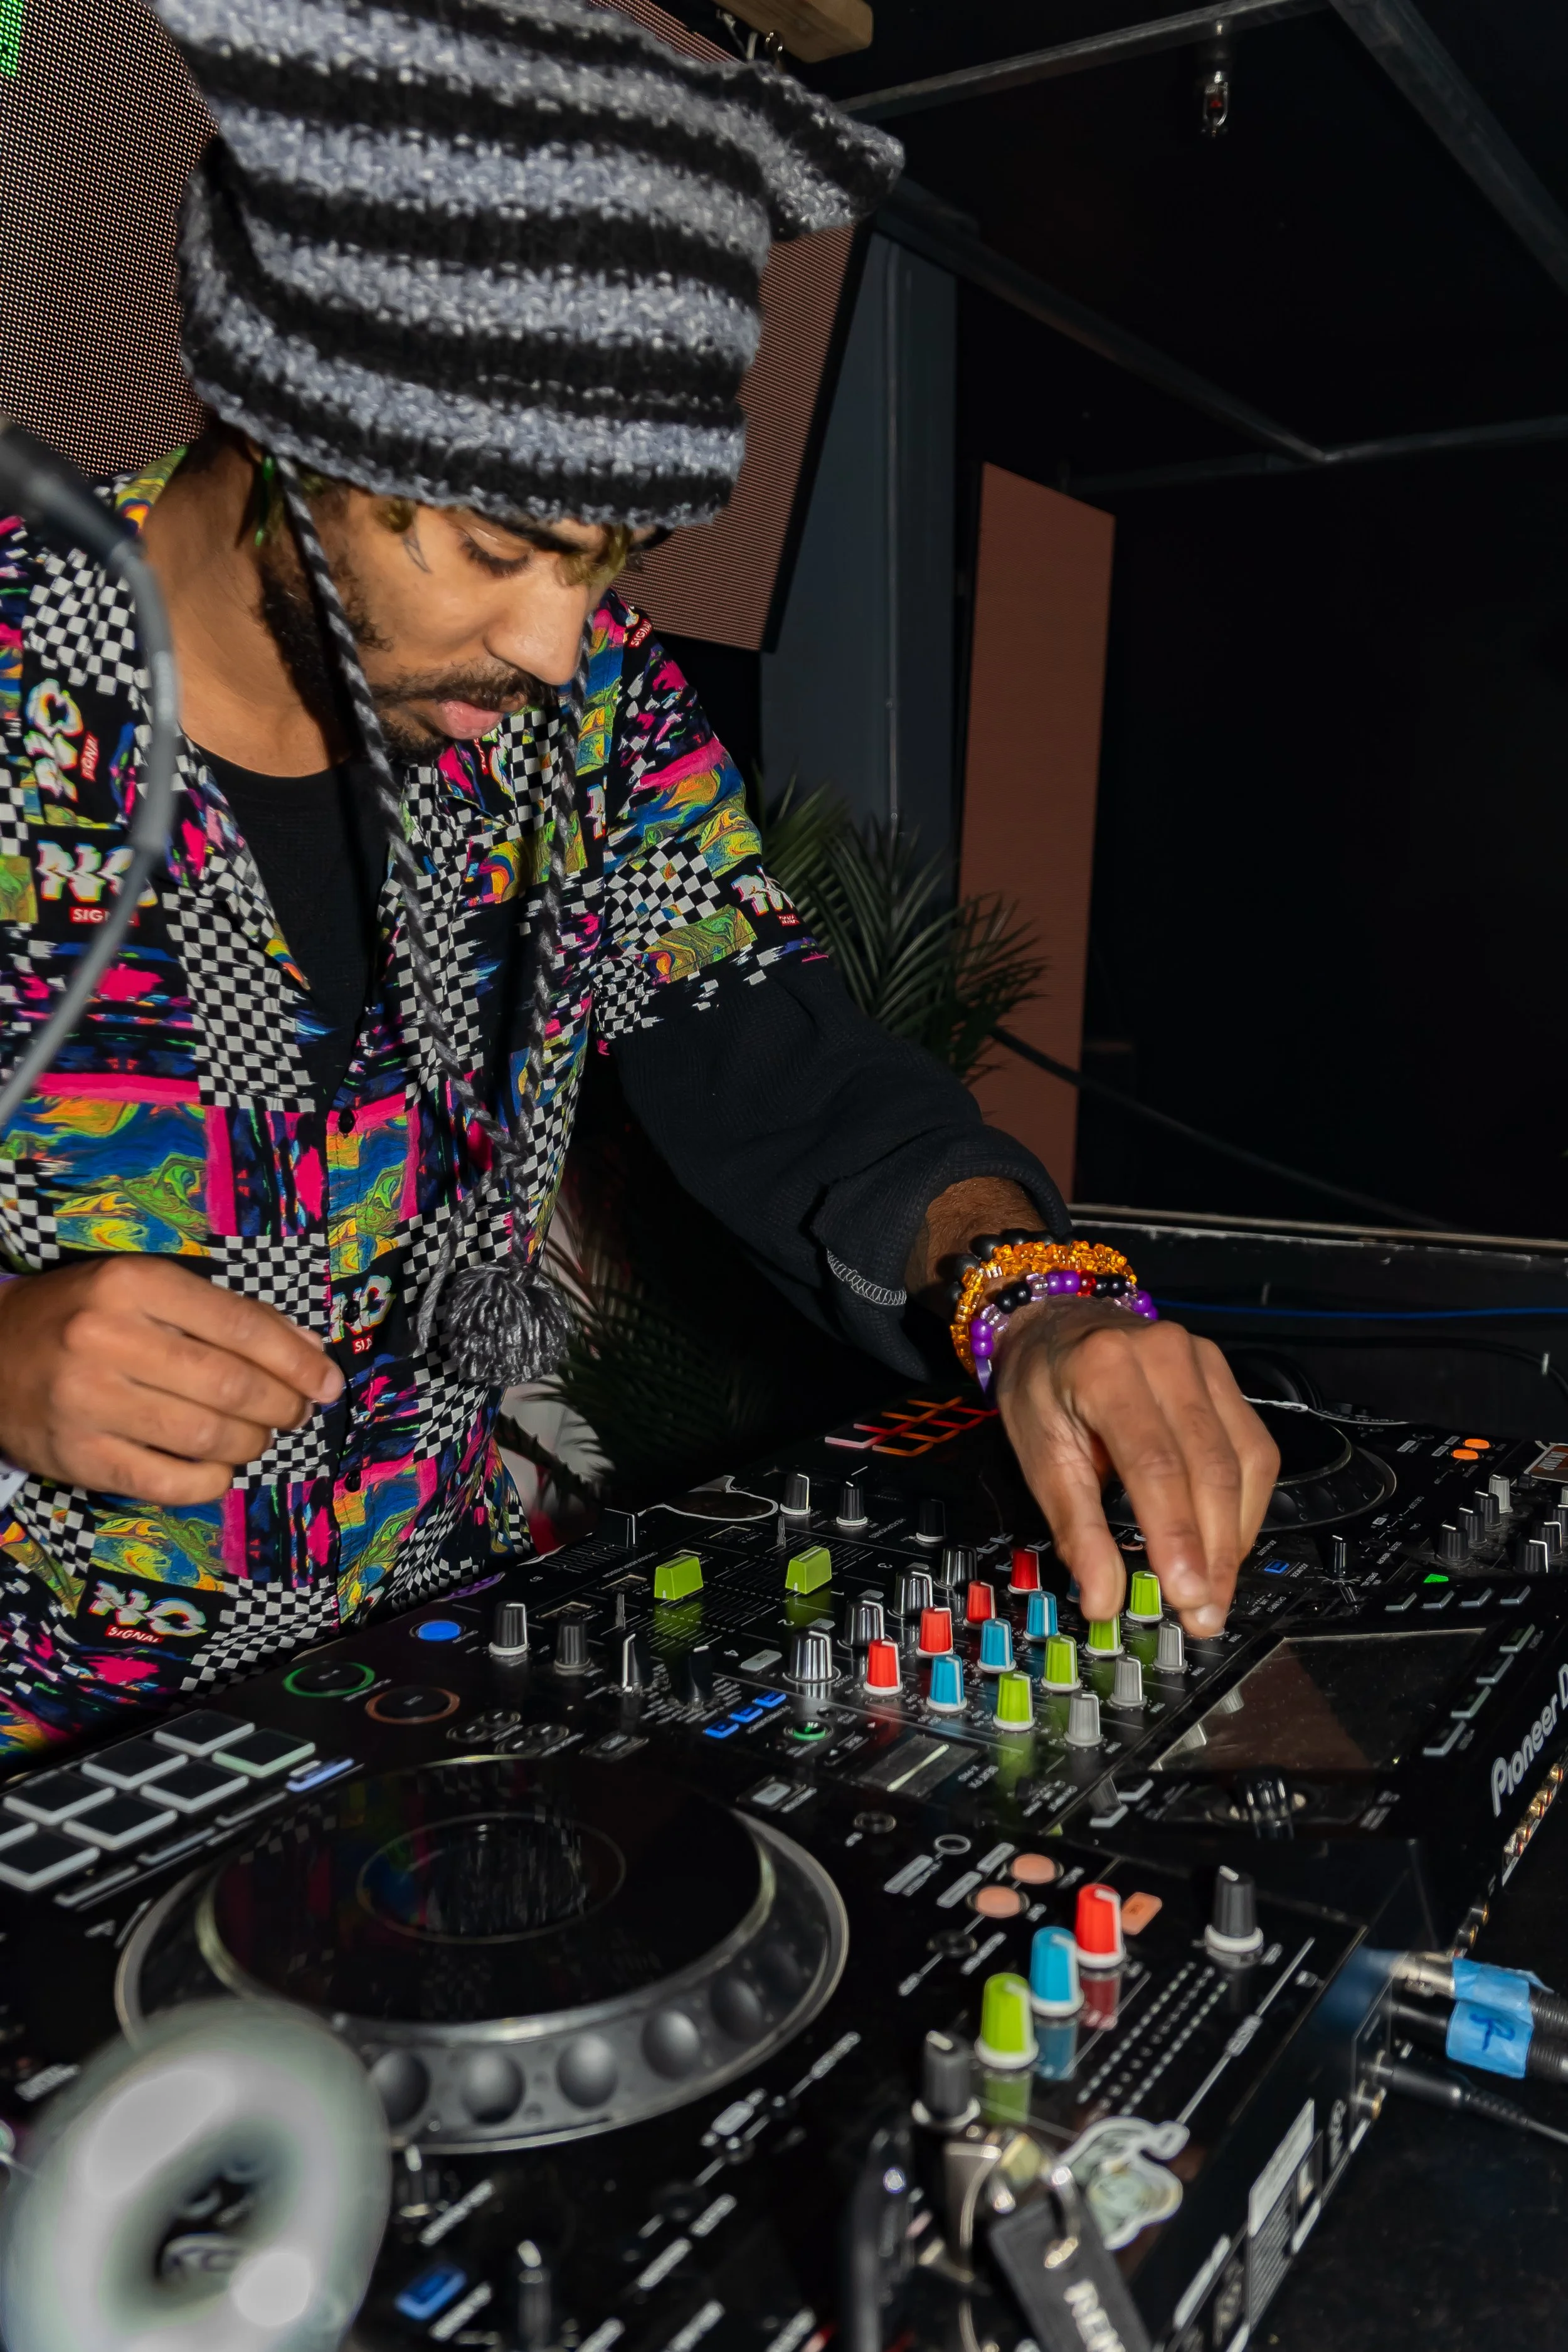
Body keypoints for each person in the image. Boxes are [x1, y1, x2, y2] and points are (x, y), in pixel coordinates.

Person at [0, 0, 1276, 1752]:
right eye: (495, 545)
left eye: (606, 561)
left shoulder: (591, 720)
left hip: (425, 1695)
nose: (556, 640)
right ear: (277, 418)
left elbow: (789, 1071)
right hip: (58, 1761)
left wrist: (1033, 1298)